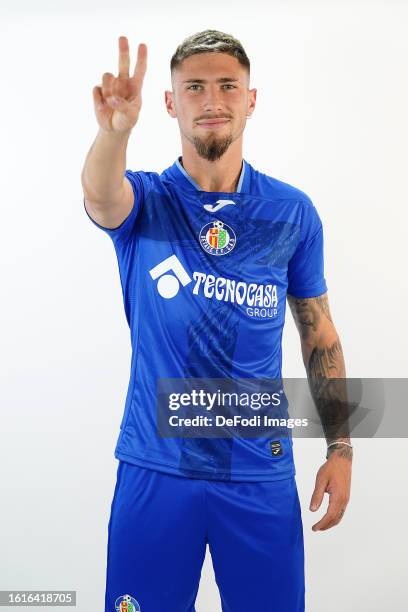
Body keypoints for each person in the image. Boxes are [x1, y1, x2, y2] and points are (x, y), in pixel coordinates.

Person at [81, 30, 353, 612]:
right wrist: (113, 134)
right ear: (171, 103)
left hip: (258, 472)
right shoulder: (146, 201)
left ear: (250, 99)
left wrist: (341, 449)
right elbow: (102, 196)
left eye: (228, 85)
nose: (212, 101)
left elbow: (319, 335)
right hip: (156, 468)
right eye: (195, 87)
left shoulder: (290, 212)